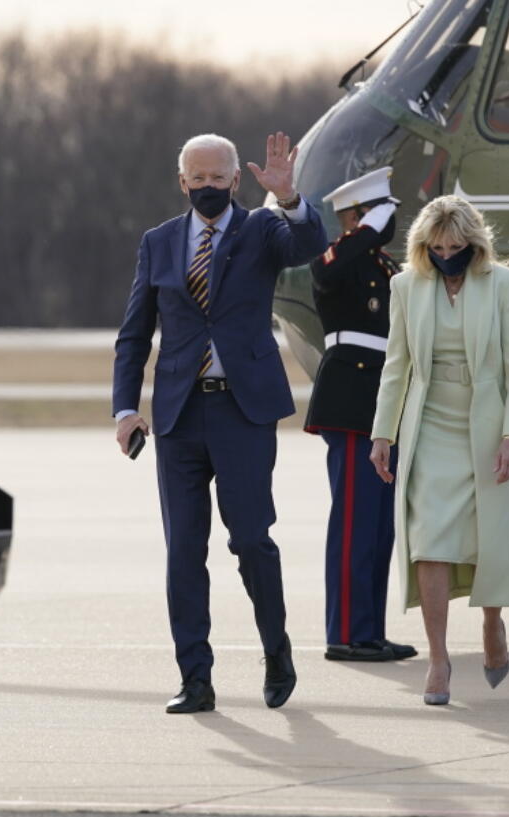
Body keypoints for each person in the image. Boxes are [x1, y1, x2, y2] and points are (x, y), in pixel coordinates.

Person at [112, 132, 327, 714]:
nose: (207, 187)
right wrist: (126, 408)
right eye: (197, 178)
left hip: (243, 410)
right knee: (183, 549)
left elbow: (308, 242)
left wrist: (287, 197)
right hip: (179, 415)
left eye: (218, 178)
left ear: (236, 180)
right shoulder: (158, 242)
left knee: (251, 540)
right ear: (181, 182)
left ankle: (276, 650)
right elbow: (135, 333)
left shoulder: (260, 230)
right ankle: (196, 678)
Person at [368, 195, 509, 705]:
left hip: (485, 424)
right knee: (429, 539)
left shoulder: (503, 284)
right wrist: (383, 434)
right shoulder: (405, 286)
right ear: (423, 246)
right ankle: (438, 658)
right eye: (437, 246)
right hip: (430, 423)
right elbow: (396, 365)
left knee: (489, 539)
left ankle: (492, 624)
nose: (447, 254)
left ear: (474, 245)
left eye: (457, 246)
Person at [304, 167, 416, 663]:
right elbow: (327, 272)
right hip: (351, 396)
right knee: (353, 521)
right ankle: (346, 632)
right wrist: (368, 227)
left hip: (385, 403)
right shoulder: (338, 259)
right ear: (353, 219)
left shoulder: (389, 270)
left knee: (377, 526)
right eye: (371, 214)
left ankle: (369, 630)